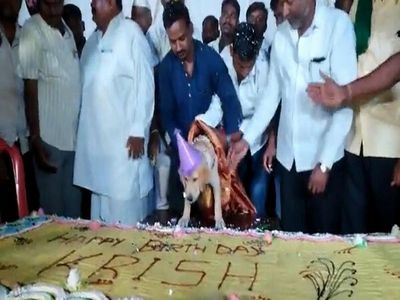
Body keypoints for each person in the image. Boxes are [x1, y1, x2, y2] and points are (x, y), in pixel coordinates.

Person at [229, 0, 357, 234]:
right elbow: (271, 96)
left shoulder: (338, 27)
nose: (285, 12)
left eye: (289, 2)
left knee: (322, 243)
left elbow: (345, 104)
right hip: (289, 162)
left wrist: (326, 164)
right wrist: (247, 140)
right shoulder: (281, 37)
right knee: (292, 241)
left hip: (322, 162)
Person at [308, 0, 400, 233]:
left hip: (389, 144)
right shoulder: (355, 7)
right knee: (354, 233)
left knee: (389, 234)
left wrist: (346, 92)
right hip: (351, 140)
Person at [74, 0, 154, 225]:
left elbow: (145, 85)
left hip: (124, 151)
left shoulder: (131, 33)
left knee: (124, 230)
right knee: (99, 230)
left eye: (96, 0)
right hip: (97, 156)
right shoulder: (92, 42)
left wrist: (139, 129)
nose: (91, 3)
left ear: (110, 2)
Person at [18, 0, 82, 218]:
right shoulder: (31, 30)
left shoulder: (68, 32)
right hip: (48, 143)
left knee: (74, 221)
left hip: (73, 144)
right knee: (54, 223)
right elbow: (29, 88)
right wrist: (35, 137)